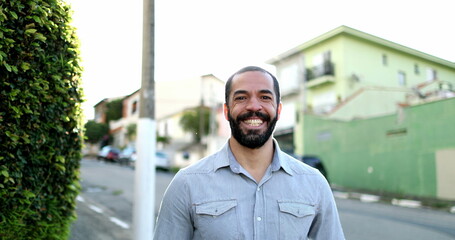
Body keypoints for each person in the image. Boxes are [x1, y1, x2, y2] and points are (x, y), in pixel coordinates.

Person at [153, 66, 345, 239]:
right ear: (227, 111)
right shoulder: (186, 183)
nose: (253, 106)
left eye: (265, 97)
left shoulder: (314, 183)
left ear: (278, 110)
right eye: (241, 98)